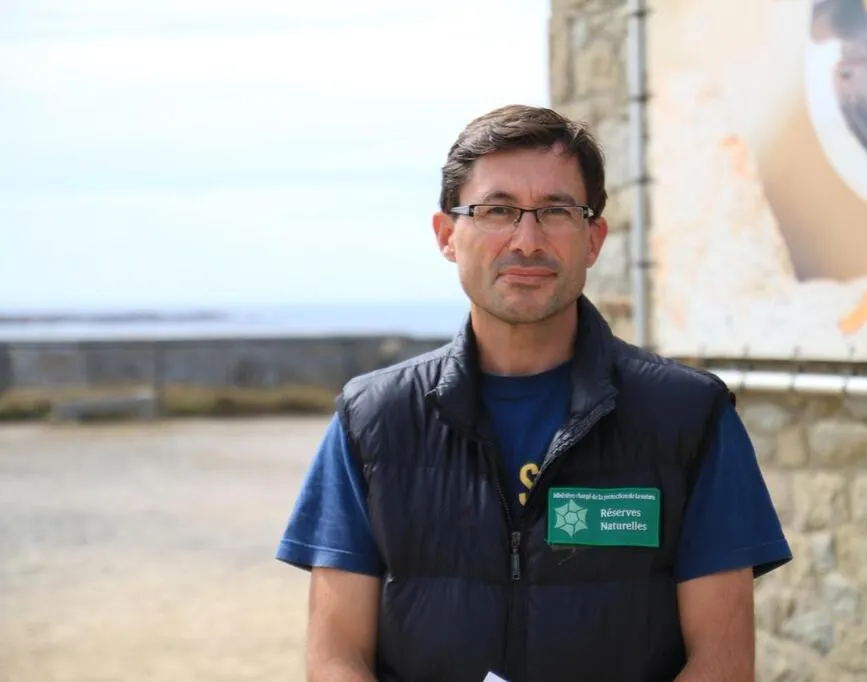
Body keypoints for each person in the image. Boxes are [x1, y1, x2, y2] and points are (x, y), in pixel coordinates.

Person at [275, 104, 792, 682]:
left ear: (593, 238)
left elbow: (721, 665)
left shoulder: (689, 415)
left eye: (555, 211)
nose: (526, 240)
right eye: (497, 211)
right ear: (448, 235)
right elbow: (337, 656)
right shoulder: (372, 418)